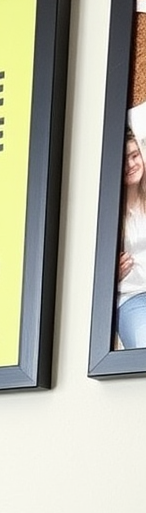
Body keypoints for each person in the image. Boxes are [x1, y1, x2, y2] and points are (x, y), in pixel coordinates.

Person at [116, 129, 146, 349]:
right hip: (131, 296)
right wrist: (110, 276)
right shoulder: (108, 212)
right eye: (123, 159)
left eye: (134, 156)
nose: (130, 165)